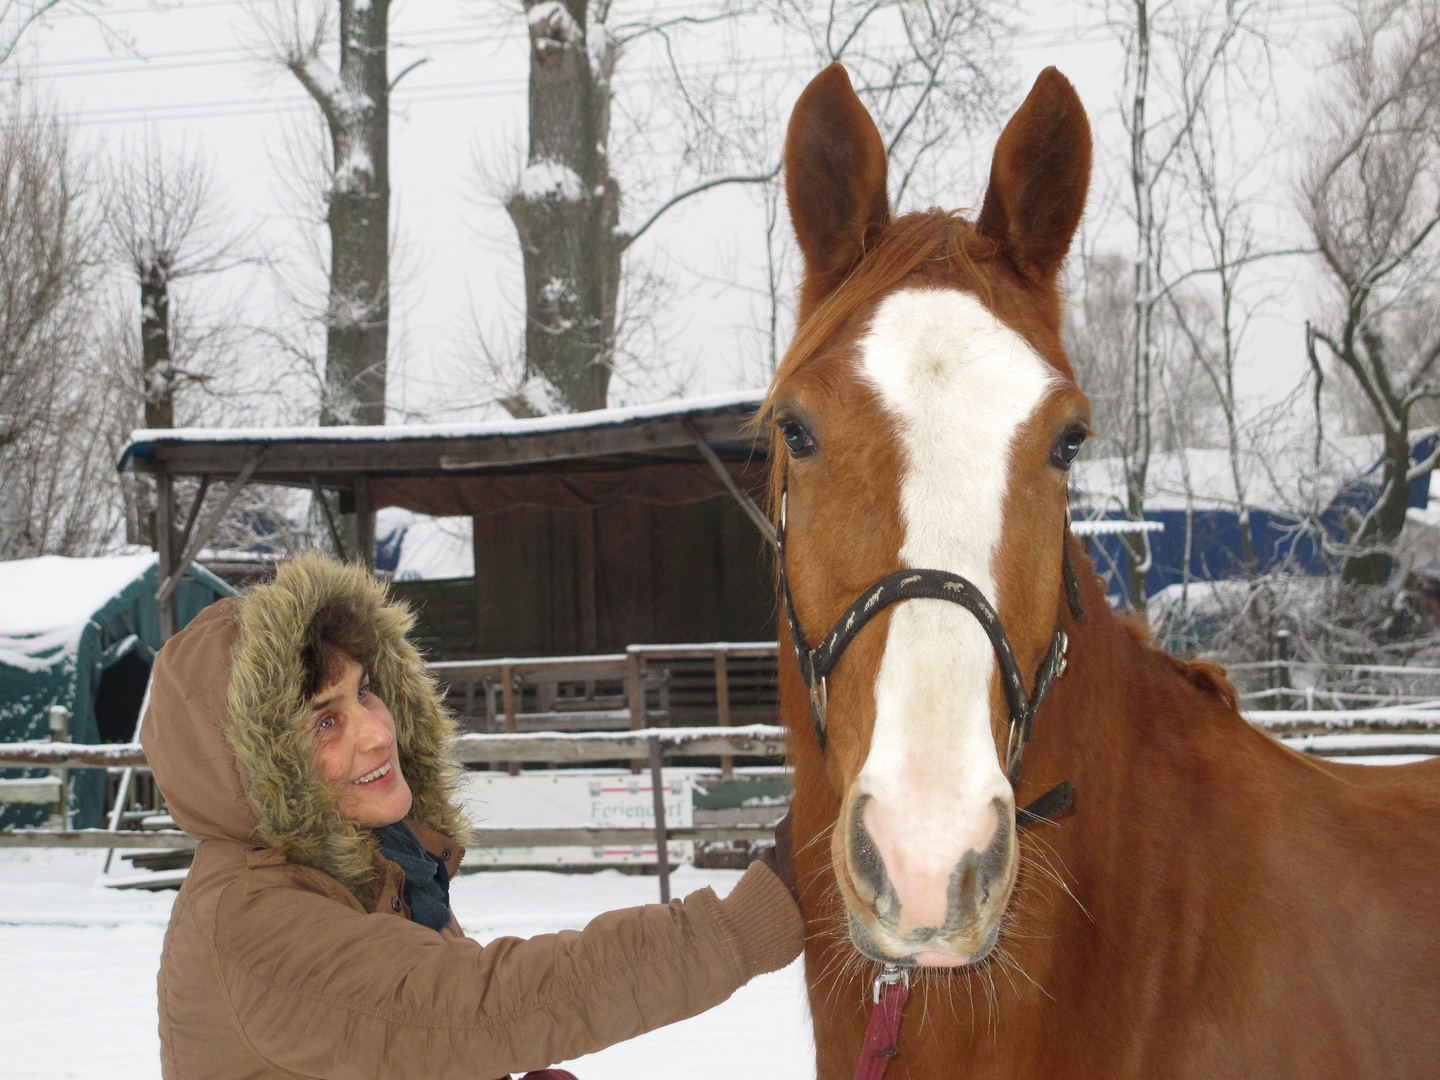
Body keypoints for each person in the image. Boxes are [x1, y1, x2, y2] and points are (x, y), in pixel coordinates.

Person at [140, 553, 804, 1080]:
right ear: (255, 771)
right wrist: (742, 929)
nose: (375, 732)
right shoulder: (257, 920)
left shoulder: (377, 869)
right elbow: (481, 1009)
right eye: (326, 721)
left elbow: (408, 1045)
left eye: (365, 690)